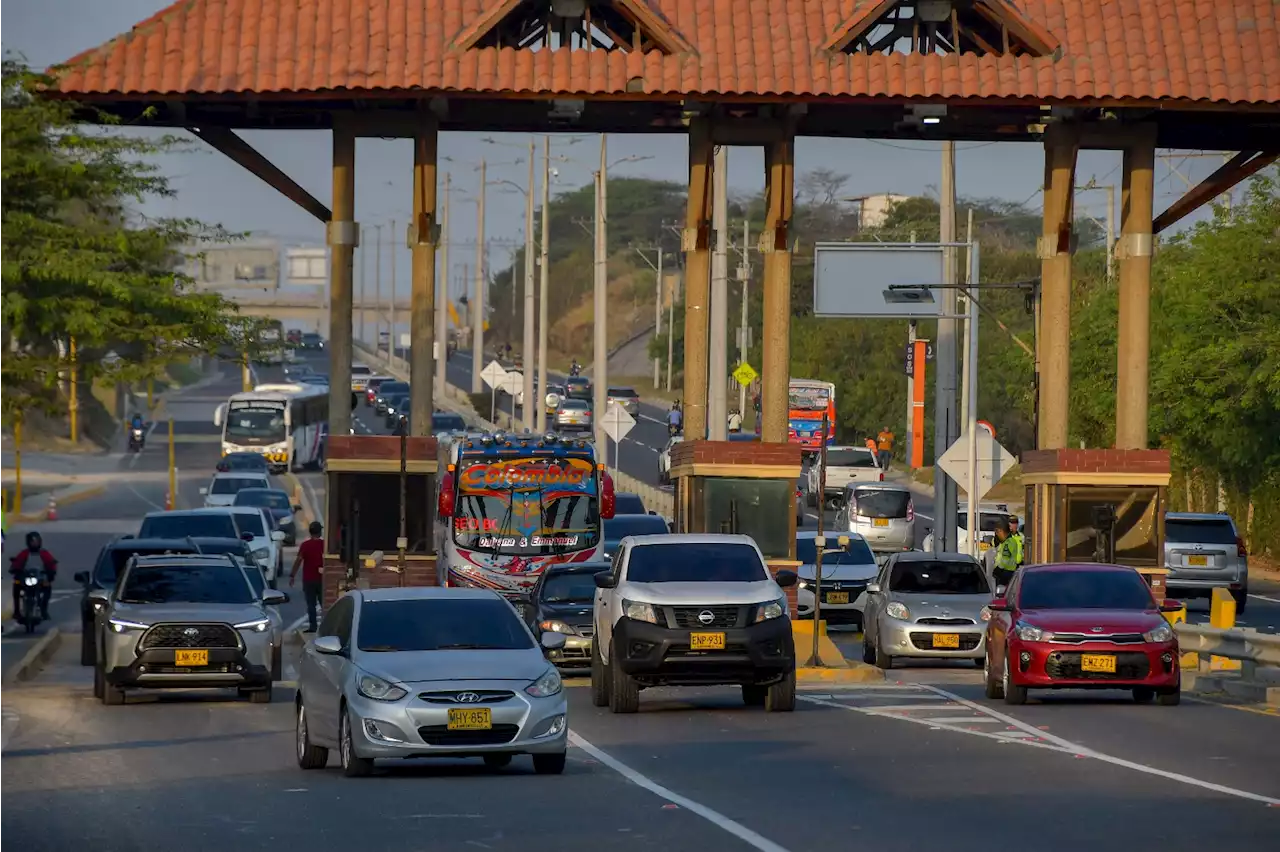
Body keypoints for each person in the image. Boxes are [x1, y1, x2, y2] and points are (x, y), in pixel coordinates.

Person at [9, 531, 56, 621]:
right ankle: (17, 611)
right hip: (26, 578)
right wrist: (15, 569)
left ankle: (44, 610)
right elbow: (17, 563)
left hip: (40, 578)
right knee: (16, 585)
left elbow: (51, 563)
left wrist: (51, 572)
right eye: (32, 542)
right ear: (28, 542)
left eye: (36, 541)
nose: (34, 544)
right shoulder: (24, 553)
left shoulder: (44, 554)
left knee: (47, 587)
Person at [289, 521, 325, 632]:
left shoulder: (305, 545)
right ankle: (326, 626)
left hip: (309, 579)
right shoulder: (325, 544)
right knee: (324, 604)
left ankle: (313, 626)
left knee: (311, 605)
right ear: (320, 531)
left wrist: (292, 575)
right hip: (322, 579)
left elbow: (298, 560)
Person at [991, 517, 1019, 589]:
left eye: (997, 532)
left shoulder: (1009, 542)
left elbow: (1005, 559)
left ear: (1001, 531)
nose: (997, 534)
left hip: (1006, 573)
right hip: (1005, 572)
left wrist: (998, 569)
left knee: (1002, 593)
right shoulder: (1005, 542)